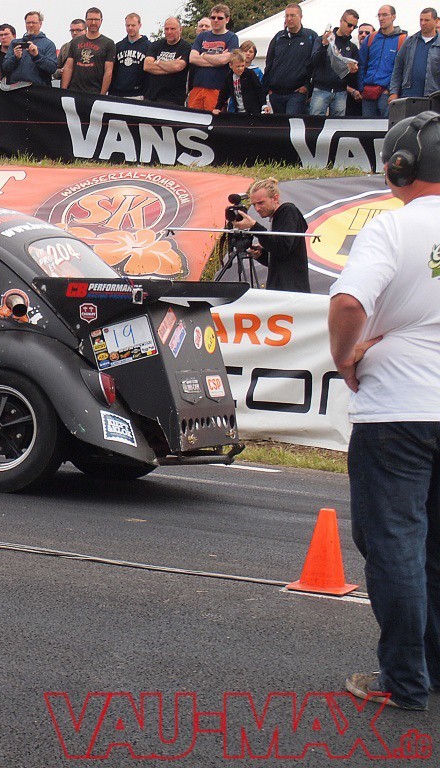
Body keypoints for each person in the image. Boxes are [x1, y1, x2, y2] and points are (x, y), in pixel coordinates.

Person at [327, 111, 440, 712]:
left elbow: (349, 301)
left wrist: (345, 356)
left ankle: (404, 680)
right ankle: (432, 667)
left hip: (398, 409)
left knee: (394, 542)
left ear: (399, 166)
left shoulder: (392, 228)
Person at [233, 178, 310, 292]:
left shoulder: (288, 210)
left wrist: (254, 226)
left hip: (292, 293)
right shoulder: (278, 218)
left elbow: (282, 247)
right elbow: (280, 258)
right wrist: (260, 255)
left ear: (275, 198)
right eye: (254, 204)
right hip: (282, 290)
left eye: (261, 203)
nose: (257, 208)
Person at [262, 3, 317, 114]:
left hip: (296, 93)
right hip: (276, 93)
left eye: (292, 15)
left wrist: (307, 87)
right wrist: (268, 87)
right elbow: (269, 62)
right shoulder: (278, 37)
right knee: (280, 124)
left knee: (291, 121)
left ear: (300, 17)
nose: (289, 19)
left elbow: (316, 63)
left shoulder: (310, 37)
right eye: (287, 16)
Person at [188, 4, 238, 111]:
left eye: (220, 18)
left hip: (217, 88)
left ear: (227, 19)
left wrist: (203, 55)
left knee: (213, 118)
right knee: (192, 117)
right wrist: (216, 59)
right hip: (198, 86)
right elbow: (192, 58)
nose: (216, 20)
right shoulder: (202, 36)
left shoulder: (232, 37)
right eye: (213, 17)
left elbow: (224, 60)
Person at [310, 10, 360, 116]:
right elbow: (314, 62)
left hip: (340, 91)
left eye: (354, 27)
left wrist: (353, 71)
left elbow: (353, 75)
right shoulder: (323, 39)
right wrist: (324, 45)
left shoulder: (352, 47)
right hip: (321, 88)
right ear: (341, 21)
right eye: (349, 25)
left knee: (338, 123)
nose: (351, 29)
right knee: (316, 122)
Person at [359, 6, 406, 118]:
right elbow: (362, 65)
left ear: (393, 17)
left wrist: (392, 91)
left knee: (385, 125)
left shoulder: (402, 40)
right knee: (366, 126)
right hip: (368, 92)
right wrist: (361, 88)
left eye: (384, 15)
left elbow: (402, 69)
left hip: (386, 94)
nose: (381, 18)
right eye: (379, 15)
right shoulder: (371, 38)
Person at [61, 7, 115, 94]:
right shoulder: (75, 42)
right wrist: (63, 92)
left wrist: (102, 95)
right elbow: (68, 68)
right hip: (74, 91)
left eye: (96, 19)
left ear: (101, 21)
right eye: (90, 19)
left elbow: (108, 72)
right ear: (86, 20)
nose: (93, 22)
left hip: (95, 92)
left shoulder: (108, 43)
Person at [389, 8, 439, 102]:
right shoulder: (409, 42)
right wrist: (394, 92)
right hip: (409, 95)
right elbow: (398, 68)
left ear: (436, 21)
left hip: (433, 97)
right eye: (421, 20)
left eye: (427, 20)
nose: (423, 23)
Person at [3, 10, 57, 87]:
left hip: (38, 89)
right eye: (28, 23)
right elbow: (5, 67)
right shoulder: (15, 43)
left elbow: (52, 68)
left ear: (40, 24)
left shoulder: (48, 44)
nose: (30, 25)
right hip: (16, 88)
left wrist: (37, 56)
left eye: (34, 22)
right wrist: (15, 58)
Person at [144, 17, 189, 105]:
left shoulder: (185, 47)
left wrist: (157, 62)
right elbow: (147, 66)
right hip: (151, 98)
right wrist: (171, 67)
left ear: (180, 30)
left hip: (173, 100)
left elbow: (178, 67)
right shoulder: (156, 45)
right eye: (166, 29)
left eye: (172, 29)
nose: (169, 32)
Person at [213, 49, 265, 115]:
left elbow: (259, 90)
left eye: (242, 66)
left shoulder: (250, 74)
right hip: (238, 111)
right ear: (230, 65)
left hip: (252, 111)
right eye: (238, 66)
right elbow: (223, 94)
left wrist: (264, 105)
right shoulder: (229, 77)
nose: (241, 69)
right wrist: (218, 108)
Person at [110, 13, 150, 98]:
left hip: (138, 94)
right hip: (117, 94)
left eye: (133, 25)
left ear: (140, 25)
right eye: (128, 25)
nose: (130, 28)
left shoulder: (148, 46)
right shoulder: (118, 46)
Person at [55, 18, 85, 85]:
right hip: (68, 86)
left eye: (78, 30)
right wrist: (61, 71)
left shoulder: (93, 48)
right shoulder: (65, 47)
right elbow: (55, 71)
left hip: (87, 87)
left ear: (86, 31)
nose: (74, 33)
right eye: (72, 30)